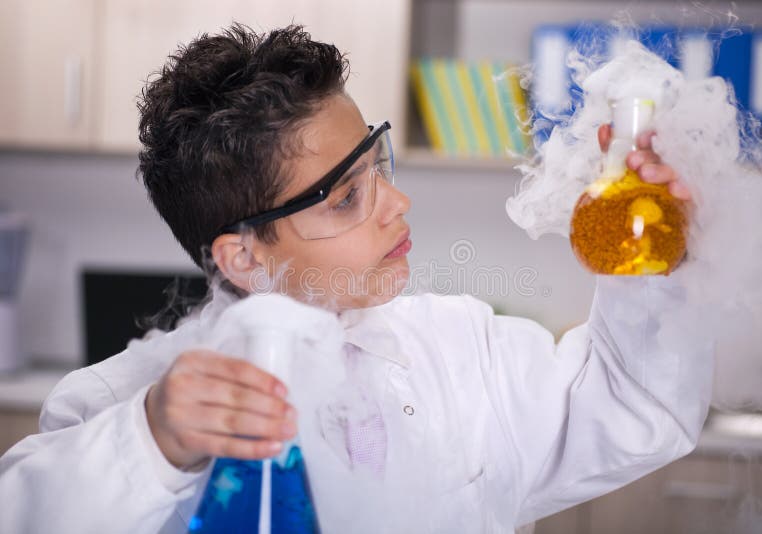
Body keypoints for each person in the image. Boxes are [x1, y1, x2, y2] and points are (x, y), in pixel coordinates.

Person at [0, 23, 711, 533]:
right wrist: (151, 443)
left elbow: (634, 412)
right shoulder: (124, 405)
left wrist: (647, 263)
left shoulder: (456, 346)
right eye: (345, 197)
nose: (397, 204)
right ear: (243, 256)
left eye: (380, 167)